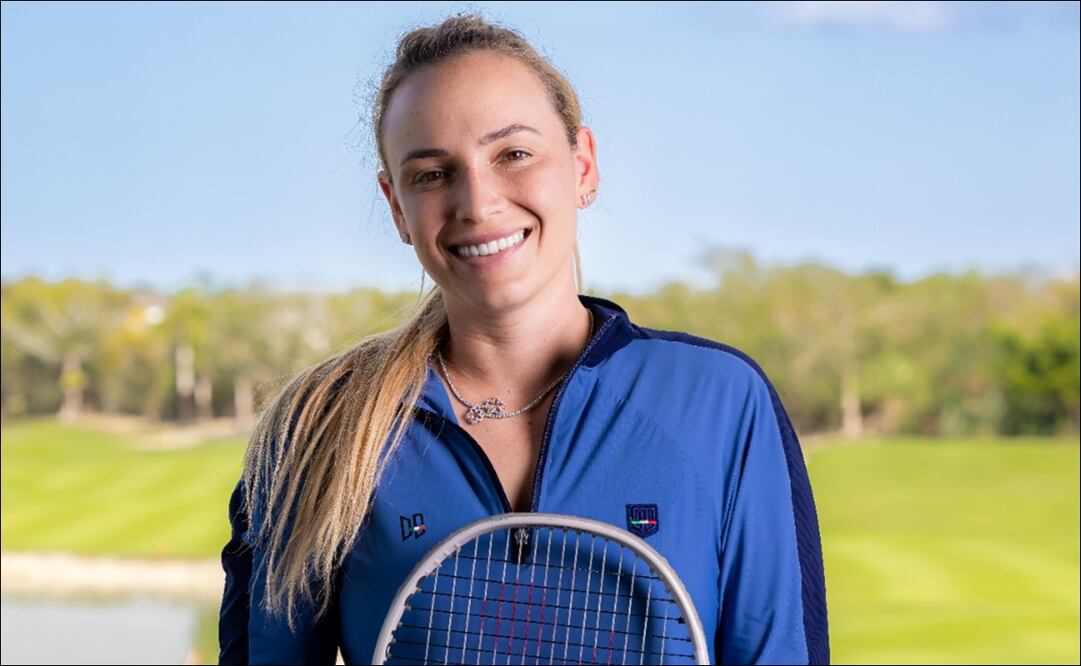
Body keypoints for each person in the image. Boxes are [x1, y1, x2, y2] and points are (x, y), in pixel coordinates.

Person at [219, 13, 829, 665]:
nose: (477, 203)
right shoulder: (317, 425)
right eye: (430, 173)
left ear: (583, 166)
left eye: (512, 154)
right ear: (397, 206)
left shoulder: (720, 401)